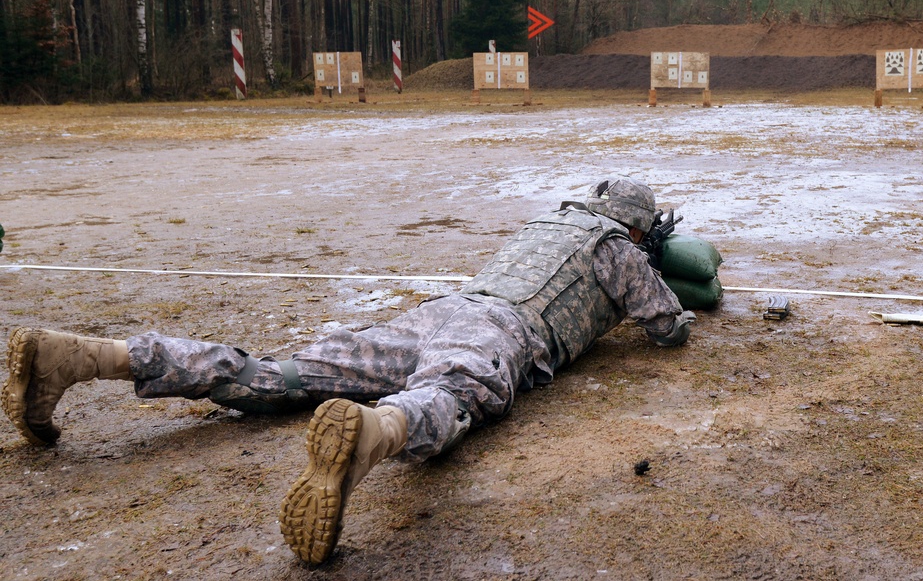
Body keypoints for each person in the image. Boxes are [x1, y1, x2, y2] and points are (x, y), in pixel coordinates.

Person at [2, 176, 695, 565]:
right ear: (634, 226)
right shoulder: (620, 250)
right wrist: (665, 276)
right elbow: (666, 329)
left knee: (278, 375)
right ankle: (373, 433)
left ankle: (91, 356)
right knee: (454, 394)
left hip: (438, 310)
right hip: (501, 328)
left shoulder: (546, 224)